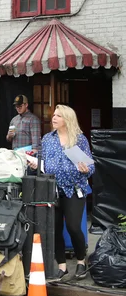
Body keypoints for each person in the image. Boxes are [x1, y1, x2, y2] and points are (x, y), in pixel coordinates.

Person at [28, 105, 94, 280]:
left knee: (73, 226)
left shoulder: (79, 139)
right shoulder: (48, 139)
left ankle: (81, 261)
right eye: (53, 115)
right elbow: (43, 162)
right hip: (53, 189)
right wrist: (36, 164)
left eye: (58, 116)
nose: (54, 118)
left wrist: (86, 169)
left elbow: (91, 166)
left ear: (67, 119)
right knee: (54, 228)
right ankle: (62, 266)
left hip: (74, 188)